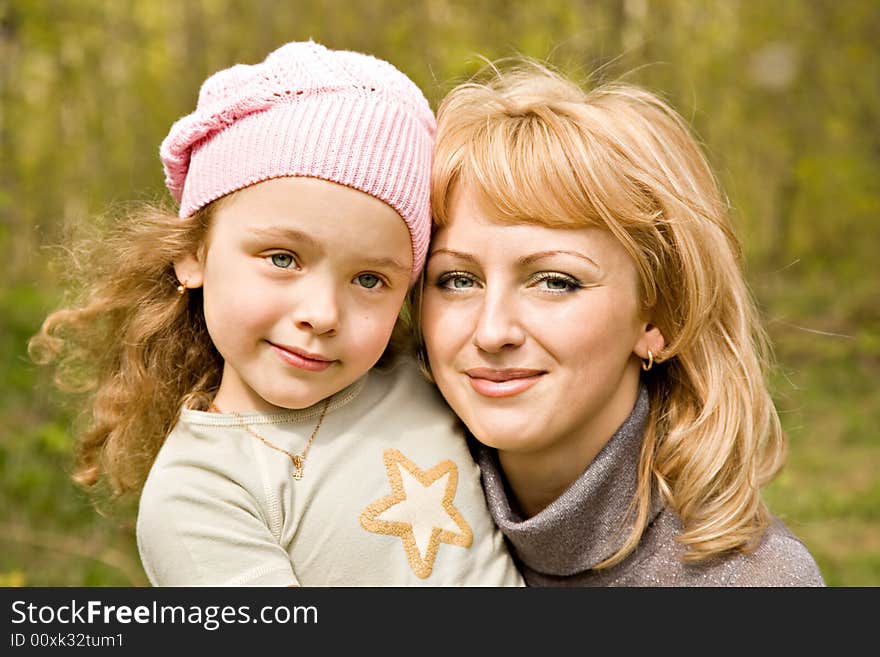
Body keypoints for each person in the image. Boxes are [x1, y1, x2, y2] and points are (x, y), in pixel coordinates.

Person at [28, 41, 523, 587]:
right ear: (192, 252)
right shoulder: (201, 491)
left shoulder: (425, 379)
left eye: (369, 280)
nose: (322, 314)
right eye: (283, 259)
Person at [415, 60, 825, 586]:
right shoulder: (361, 500)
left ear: (660, 317)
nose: (493, 332)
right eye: (457, 280)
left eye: (555, 281)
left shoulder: (753, 582)